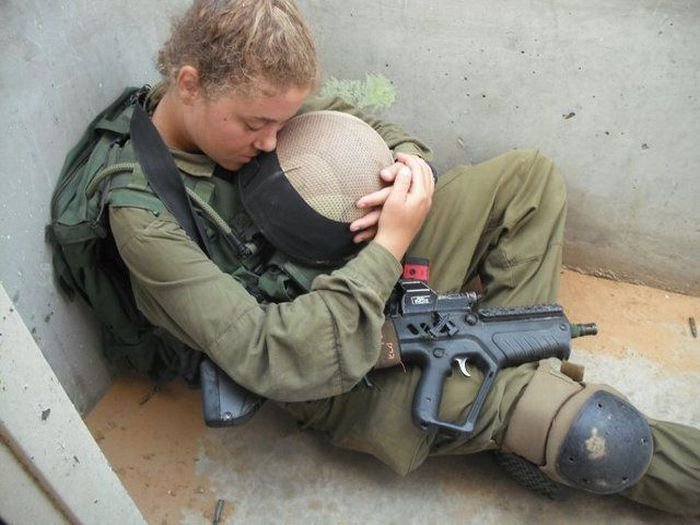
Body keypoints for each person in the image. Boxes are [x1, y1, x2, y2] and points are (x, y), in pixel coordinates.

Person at [91, 0, 698, 515]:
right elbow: (270, 354)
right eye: (257, 126)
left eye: (282, 121)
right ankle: (524, 411)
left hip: (357, 258)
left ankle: (507, 384)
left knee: (527, 181)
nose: (273, 141)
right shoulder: (145, 220)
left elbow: (372, 129)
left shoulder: (254, 94)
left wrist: (410, 170)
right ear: (191, 83)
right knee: (593, 435)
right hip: (332, 356)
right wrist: (389, 247)